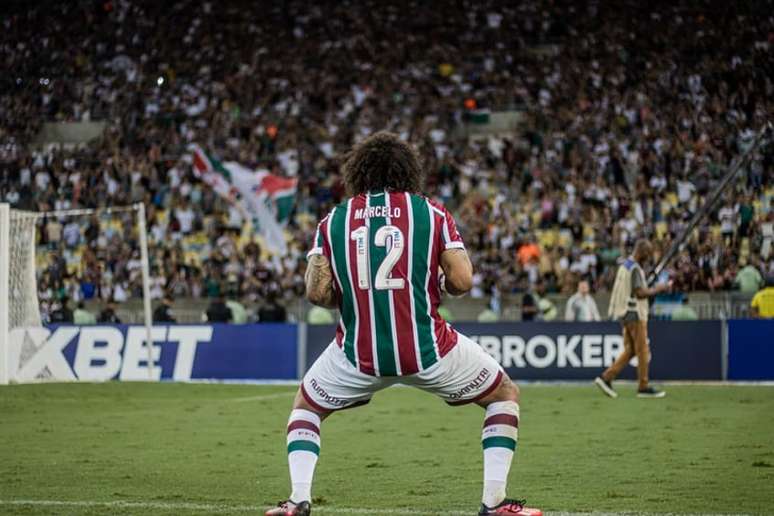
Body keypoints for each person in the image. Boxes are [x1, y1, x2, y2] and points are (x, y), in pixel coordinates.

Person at [265, 132, 540, 516]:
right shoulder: (432, 213)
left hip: (357, 355)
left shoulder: (333, 221)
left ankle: (297, 500)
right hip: (429, 350)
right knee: (504, 395)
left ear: (358, 172)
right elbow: (461, 281)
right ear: (409, 171)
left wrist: (351, 290)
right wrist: (437, 282)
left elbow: (317, 292)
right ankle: (493, 503)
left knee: (306, 408)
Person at [594, 240, 672, 399]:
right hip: (635, 313)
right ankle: (643, 387)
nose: (649, 258)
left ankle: (606, 377)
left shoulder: (625, 265)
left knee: (631, 350)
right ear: (642, 252)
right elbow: (640, 293)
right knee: (643, 350)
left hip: (624, 312)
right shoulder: (635, 268)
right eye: (648, 254)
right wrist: (659, 288)